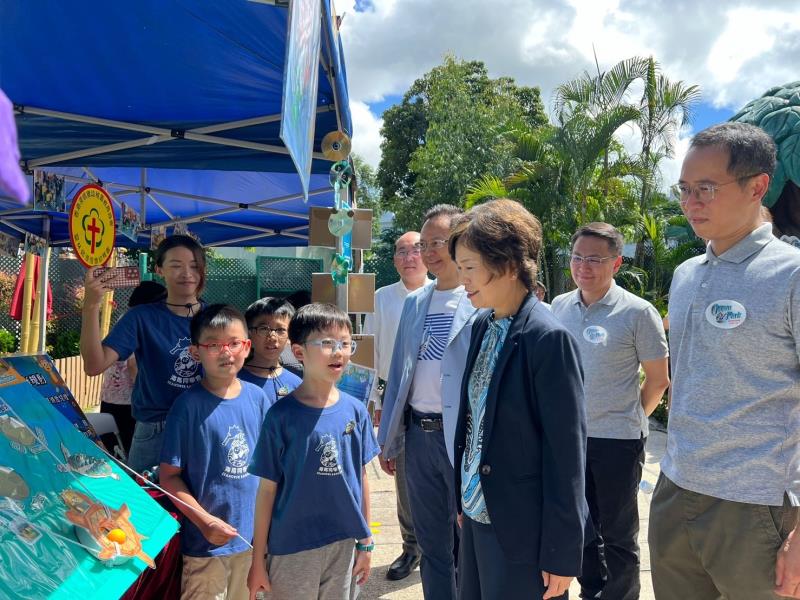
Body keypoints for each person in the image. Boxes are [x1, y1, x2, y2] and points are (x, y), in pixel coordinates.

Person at [649, 121, 800, 600]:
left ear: (758, 186)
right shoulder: (687, 273)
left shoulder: (791, 275)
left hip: (756, 508)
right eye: (686, 189)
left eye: (707, 189)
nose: (691, 203)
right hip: (676, 488)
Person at [450, 198, 588, 600]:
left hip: (522, 527)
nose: (464, 281)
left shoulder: (548, 339)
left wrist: (562, 552)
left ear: (509, 264)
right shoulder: (483, 323)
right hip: (478, 514)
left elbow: (567, 453)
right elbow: (475, 421)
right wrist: (464, 496)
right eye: (460, 269)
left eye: (470, 269)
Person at [552, 222, 670, 599]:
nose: (583, 266)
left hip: (617, 442)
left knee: (618, 536)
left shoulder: (638, 313)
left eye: (594, 259)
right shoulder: (559, 307)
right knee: (581, 528)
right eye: (577, 257)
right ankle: (592, 590)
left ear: (616, 263)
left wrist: (629, 416)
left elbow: (658, 379)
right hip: (570, 441)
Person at [378, 205, 477, 599]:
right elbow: (400, 376)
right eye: (424, 243)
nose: (430, 251)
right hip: (418, 437)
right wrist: (389, 435)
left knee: (468, 542)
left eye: (438, 241)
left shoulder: (478, 301)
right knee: (432, 542)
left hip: (461, 441)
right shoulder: (416, 302)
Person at [247, 303, 379, 600]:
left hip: (344, 544)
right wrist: (258, 562)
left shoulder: (356, 411)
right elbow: (266, 491)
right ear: (298, 352)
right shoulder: (281, 416)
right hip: (292, 548)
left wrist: (366, 541)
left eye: (346, 343)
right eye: (327, 343)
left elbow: (360, 478)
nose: (339, 352)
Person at [159, 304, 271, 600]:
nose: (226, 352)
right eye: (213, 344)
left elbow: (273, 470)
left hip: (253, 545)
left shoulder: (259, 399)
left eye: (234, 343)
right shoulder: (186, 407)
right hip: (205, 550)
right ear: (196, 352)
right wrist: (204, 521)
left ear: (247, 347)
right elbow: (169, 477)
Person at [81, 234, 207, 473]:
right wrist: (90, 305)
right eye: (176, 265)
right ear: (159, 269)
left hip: (203, 425)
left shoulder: (216, 319)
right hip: (155, 430)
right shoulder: (140, 317)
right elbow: (93, 365)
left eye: (194, 265)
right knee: (148, 506)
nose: (187, 273)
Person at [362, 229, 428, 580]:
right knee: (401, 474)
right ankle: (411, 546)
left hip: (437, 396)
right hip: (394, 396)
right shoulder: (382, 298)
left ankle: (447, 546)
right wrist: (375, 400)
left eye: (415, 249)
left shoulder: (452, 294)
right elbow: (372, 352)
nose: (408, 257)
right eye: (401, 251)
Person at [99, 280, 166, 457]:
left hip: (111, 397)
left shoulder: (126, 319)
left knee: (114, 451)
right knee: (128, 452)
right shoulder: (141, 322)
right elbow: (133, 365)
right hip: (129, 402)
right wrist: (147, 395)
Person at [240, 297, 302, 404]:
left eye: (281, 330)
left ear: (289, 337)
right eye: (263, 329)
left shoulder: (297, 384)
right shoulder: (233, 381)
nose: (272, 337)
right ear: (248, 334)